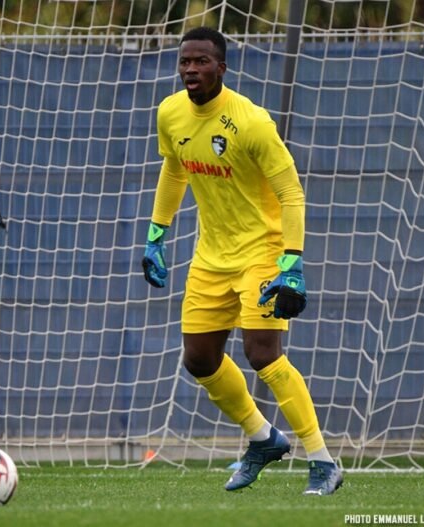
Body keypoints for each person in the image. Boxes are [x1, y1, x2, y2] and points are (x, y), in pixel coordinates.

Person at [141, 26, 343, 496]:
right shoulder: (170, 113)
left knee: (262, 355)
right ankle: (262, 438)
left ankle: (322, 460)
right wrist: (156, 233)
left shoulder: (251, 122)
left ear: (221, 68)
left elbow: (292, 193)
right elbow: (174, 168)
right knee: (199, 358)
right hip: (211, 256)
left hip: (263, 253)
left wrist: (291, 262)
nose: (191, 69)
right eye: (185, 61)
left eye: (201, 62)